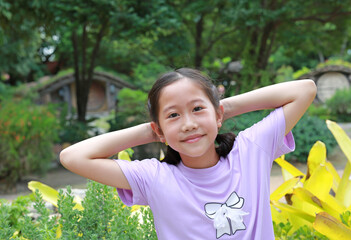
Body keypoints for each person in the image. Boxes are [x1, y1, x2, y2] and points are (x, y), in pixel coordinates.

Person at [60, 68, 317, 239]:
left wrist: (222, 109)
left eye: (197, 109)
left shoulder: (250, 151)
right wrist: (154, 132)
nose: (188, 124)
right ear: (158, 130)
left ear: (218, 115)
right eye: (173, 115)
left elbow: (304, 90)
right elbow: (72, 157)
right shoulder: (153, 177)